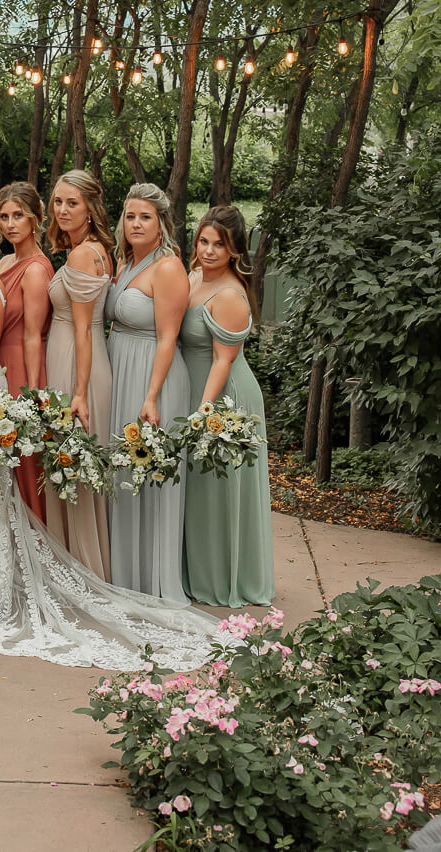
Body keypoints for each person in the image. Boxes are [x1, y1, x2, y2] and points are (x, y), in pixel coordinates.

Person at [0, 202, 217, 673]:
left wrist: (41, 390)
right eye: (5, 216)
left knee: (23, 477)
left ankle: (51, 571)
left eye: (66, 203)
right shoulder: (32, 264)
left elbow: (43, 333)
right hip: (10, 376)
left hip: (37, 372)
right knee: (5, 483)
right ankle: (0, 568)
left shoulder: (52, 265)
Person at [181, 206, 274, 607]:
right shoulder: (194, 277)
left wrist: (202, 412)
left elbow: (223, 360)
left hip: (226, 397)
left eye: (220, 244)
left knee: (221, 490)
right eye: (204, 241)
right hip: (196, 390)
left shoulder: (231, 294)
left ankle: (227, 579)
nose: (210, 250)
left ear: (235, 249)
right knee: (200, 493)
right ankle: (199, 570)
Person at [107, 184, 191, 604]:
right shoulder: (126, 263)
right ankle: (125, 575)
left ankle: (153, 581)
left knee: (149, 475)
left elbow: (167, 338)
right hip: (121, 367)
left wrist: (152, 396)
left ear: (161, 224)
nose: (136, 223)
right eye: (130, 216)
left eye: (145, 217)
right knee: (122, 473)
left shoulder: (168, 267)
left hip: (151, 377)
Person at [44, 169, 115, 580]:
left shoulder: (82, 254)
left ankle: (81, 572)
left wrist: (80, 392)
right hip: (77, 359)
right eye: (58, 202)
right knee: (72, 466)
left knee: (73, 466)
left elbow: (87, 330)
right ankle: (77, 566)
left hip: (76, 363)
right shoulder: (98, 248)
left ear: (90, 207)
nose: (64, 209)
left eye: (72, 202)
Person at [0, 182, 54, 522]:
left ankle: (38, 540)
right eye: (4, 216)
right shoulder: (4, 262)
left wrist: (34, 393)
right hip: (0, 364)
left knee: (25, 455)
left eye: (19, 216)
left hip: (23, 367)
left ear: (35, 219)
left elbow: (33, 335)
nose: (11, 224)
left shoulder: (35, 269)